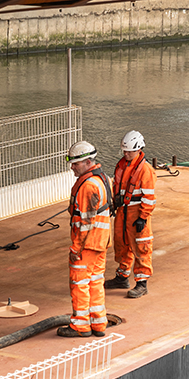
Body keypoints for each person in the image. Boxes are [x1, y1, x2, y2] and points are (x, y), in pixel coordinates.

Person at [60, 140, 113, 338]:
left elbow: (85, 223)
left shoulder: (87, 186)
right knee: (96, 282)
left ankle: (81, 325)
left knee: (79, 283)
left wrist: (75, 249)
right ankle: (99, 323)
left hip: (87, 245)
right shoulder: (103, 179)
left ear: (88, 162)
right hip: (101, 242)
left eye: (76, 163)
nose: (73, 167)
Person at [104, 130, 156, 298]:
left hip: (136, 212)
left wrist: (142, 217)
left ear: (138, 149)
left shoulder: (145, 170)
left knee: (141, 246)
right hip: (123, 210)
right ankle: (122, 277)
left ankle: (142, 283)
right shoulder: (122, 165)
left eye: (129, 151)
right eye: (124, 151)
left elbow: (149, 197)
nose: (126, 154)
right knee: (122, 243)